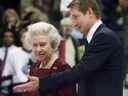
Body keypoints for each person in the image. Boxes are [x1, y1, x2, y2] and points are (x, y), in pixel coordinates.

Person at [14, 0, 124, 96]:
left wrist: (41, 83)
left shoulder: (103, 37)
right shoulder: (94, 37)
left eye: (75, 17)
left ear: (89, 12)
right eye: (35, 45)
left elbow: (80, 71)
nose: (73, 23)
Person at [16, 22, 76, 96]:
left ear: (52, 44)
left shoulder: (62, 67)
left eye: (42, 44)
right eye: (35, 45)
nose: (38, 49)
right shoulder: (34, 67)